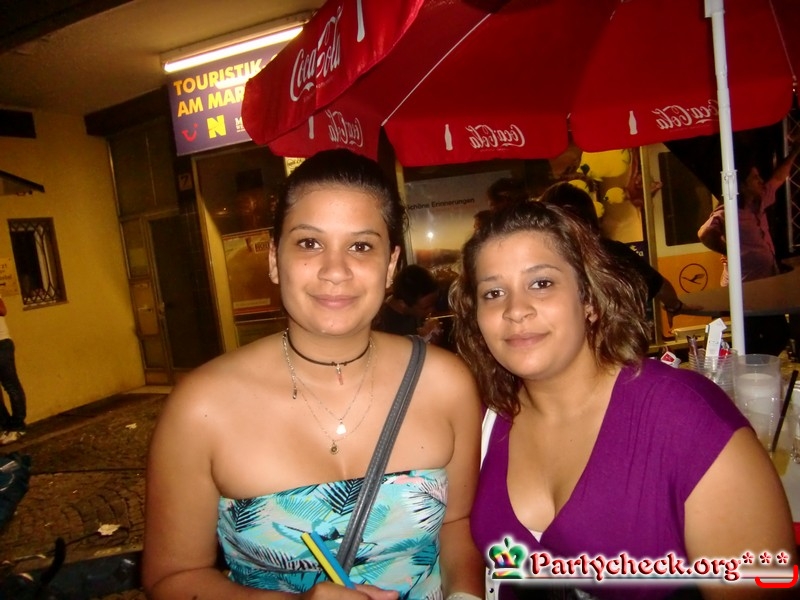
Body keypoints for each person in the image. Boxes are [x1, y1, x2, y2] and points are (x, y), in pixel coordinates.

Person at [142, 149, 484, 599]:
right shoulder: (201, 407)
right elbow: (171, 578)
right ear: (273, 259)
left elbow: (458, 524)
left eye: (361, 246)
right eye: (309, 243)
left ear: (390, 265)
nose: (334, 270)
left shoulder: (446, 383)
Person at [449, 201, 795, 600]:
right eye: (493, 293)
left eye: (541, 283)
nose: (516, 310)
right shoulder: (482, 421)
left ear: (589, 300)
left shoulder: (686, 419)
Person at [541, 181, 695, 328]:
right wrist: (675, 306)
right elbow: (659, 285)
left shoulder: (542, 261)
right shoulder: (614, 252)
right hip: (617, 340)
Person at [698, 144, 800, 354]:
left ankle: (760, 367)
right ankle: (753, 370)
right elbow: (704, 233)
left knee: (778, 335)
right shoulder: (729, 211)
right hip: (745, 291)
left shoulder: (759, 203)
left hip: (764, 287)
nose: (761, 181)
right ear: (742, 185)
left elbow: (778, 178)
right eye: (755, 178)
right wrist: (728, 251)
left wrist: (795, 151)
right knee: (756, 340)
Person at [374, 263, 442, 343]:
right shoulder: (381, 325)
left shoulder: (415, 312)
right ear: (402, 304)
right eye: (426, 307)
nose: (432, 310)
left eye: (433, 303)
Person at [0, 294, 27, 445]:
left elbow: (2, 310)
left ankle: (18, 426)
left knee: (11, 385)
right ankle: (5, 425)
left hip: (1, 343)